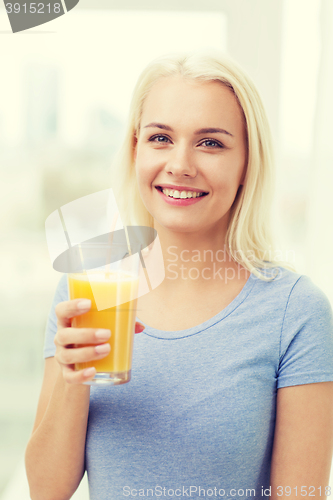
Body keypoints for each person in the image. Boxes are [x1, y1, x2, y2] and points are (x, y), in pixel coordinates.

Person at [25, 50, 333, 500]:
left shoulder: (295, 311)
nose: (181, 164)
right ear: (135, 150)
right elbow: (46, 491)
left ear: (247, 161)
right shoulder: (87, 287)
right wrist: (74, 384)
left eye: (211, 143)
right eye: (160, 138)